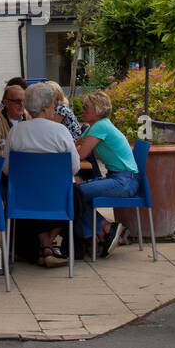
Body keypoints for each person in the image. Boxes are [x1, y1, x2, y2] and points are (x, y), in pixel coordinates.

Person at [4, 82, 78, 267]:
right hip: (57, 198)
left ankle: (44, 243)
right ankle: (49, 242)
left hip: (24, 200)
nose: (56, 106)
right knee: (78, 196)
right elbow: (74, 167)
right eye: (53, 102)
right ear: (45, 105)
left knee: (23, 197)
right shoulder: (60, 131)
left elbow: (6, 169)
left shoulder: (15, 132)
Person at [74, 90, 138, 258]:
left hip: (124, 180)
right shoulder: (94, 127)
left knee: (75, 193)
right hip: (119, 178)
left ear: (98, 109)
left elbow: (80, 155)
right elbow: (75, 146)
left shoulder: (101, 126)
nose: (83, 110)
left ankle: (100, 233)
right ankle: (104, 229)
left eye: (86, 107)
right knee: (76, 194)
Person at [0, 79, 26, 155]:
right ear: (6, 102)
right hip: (3, 164)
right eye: (17, 101)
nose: (22, 105)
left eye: (24, 101)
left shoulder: (28, 116)